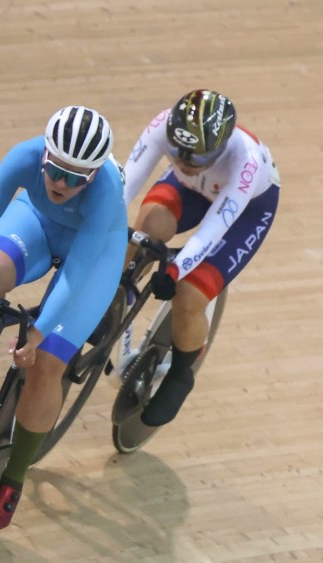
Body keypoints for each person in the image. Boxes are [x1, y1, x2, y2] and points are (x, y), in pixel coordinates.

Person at [0, 106, 127, 530]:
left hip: (93, 251)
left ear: (94, 174)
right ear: (45, 155)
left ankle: (13, 479)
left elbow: (78, 271)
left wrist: (38, 330)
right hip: (35, 222)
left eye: (76, 178)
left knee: (47, 362)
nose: (61, 184)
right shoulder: (24, 157)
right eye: (55, 170)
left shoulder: (105, 193)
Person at [123, 89, 280, 426]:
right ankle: (112, 300)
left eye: (195, 159)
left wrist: (177, 269)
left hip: (245, 210)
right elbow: (123, 188)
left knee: (189, 294)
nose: (183, 164)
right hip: (191, 190)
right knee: (141, 233)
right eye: (179, 156)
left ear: (220, 148)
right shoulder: (164, 127)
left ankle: (181, 375)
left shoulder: (245, 161)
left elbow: (212, 232)